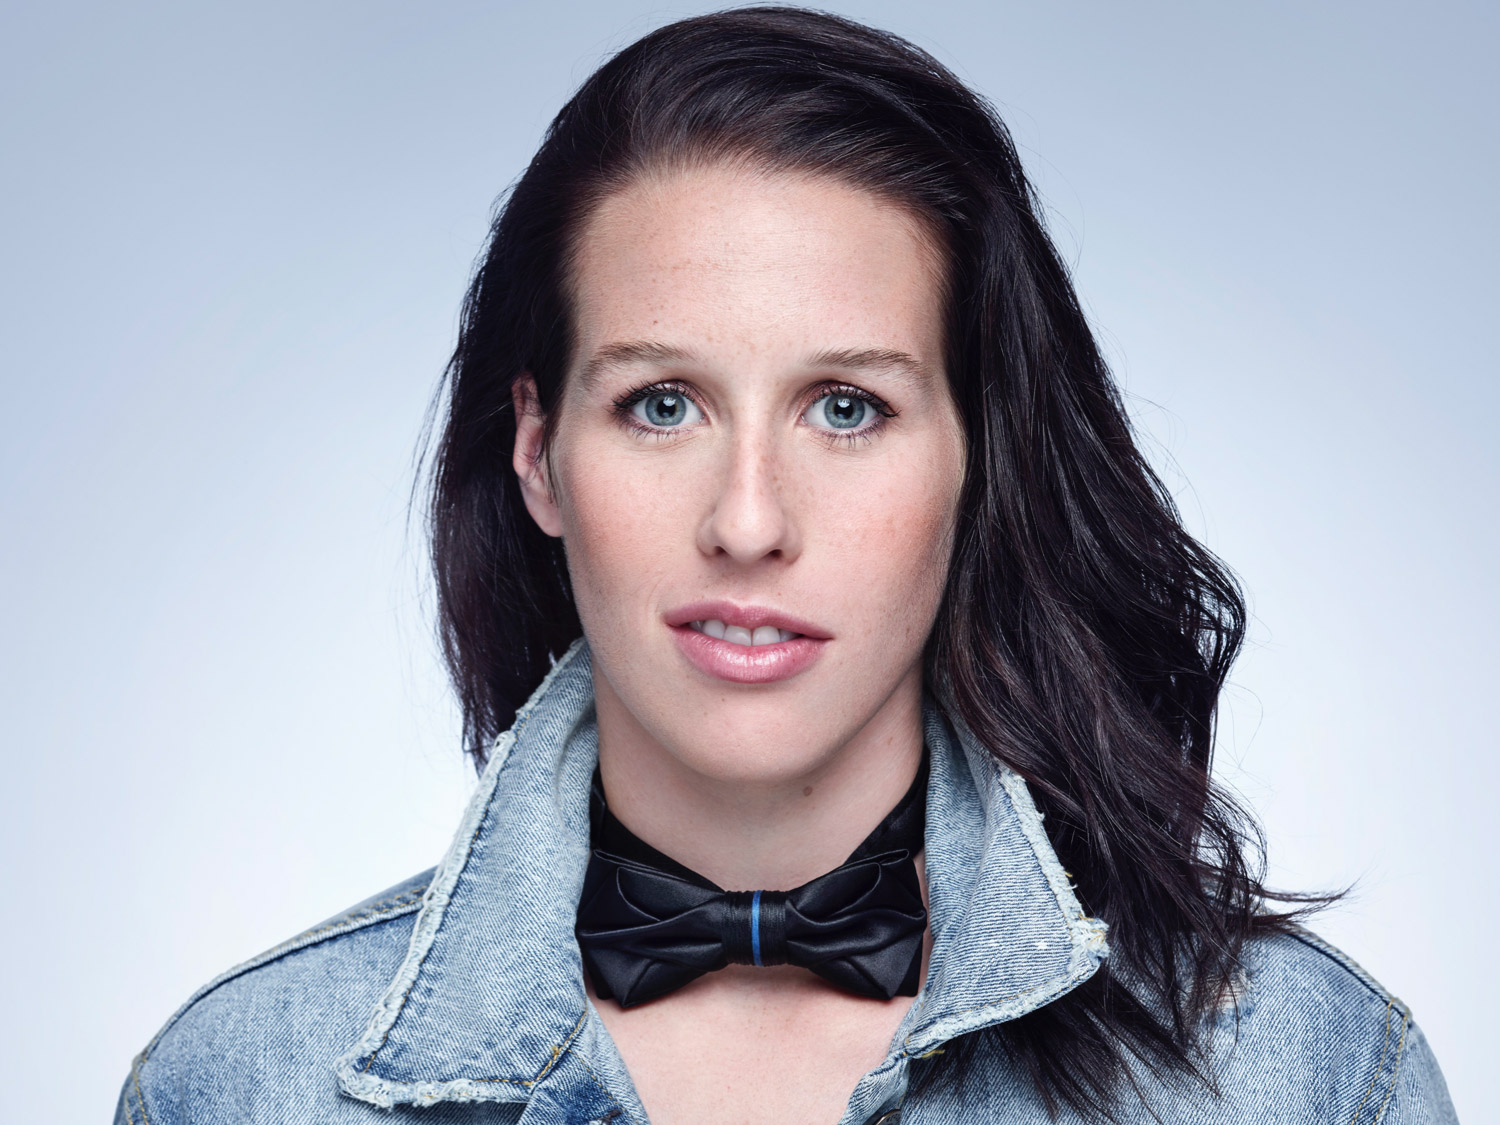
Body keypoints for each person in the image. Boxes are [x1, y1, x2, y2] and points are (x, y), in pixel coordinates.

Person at [113, 8, 1458, 1124]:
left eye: (847, 408)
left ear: (978, 456)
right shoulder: (239, 1088)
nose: (748, 521)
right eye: (661, 405)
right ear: (538, 455)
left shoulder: (1307, 1076)